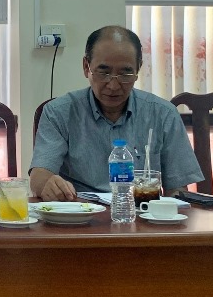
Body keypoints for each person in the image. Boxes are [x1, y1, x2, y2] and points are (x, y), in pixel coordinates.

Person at [30, 25, 203, 202]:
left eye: (125, 74)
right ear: (86, 67)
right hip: (80, 212)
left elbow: (177, 190)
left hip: (142, 213)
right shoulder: (59, 113)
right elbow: (39, 176)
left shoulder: (163, 114)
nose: (113, 86)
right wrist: (49, 184)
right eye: (103, 72)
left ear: (138, 69)